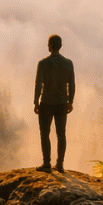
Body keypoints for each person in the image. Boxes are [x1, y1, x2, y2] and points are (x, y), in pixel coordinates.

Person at [34, 34, 74, 173]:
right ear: (61, 46)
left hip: (46, 103)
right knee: (61, 134)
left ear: (49, 46)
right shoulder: (68, 63)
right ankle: (60, 164)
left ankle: (46, 164)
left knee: (45, 134)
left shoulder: (43, 63)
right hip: (62, 103)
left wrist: (36, 102)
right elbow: (72, 84)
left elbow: (39, 84)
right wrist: (71, 101)